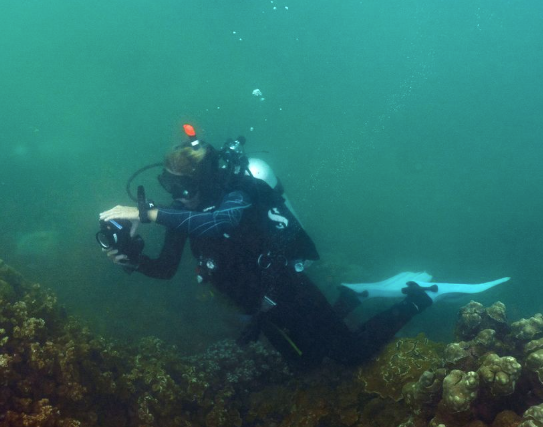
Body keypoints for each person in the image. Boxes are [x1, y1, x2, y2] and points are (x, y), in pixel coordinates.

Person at [98, 130, 433, 369]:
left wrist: (146, 214)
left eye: (183, 186)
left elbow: (221, 224)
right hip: (260, 304)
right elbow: (166, 268)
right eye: (168, 185)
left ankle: (420, 298)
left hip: (288, 287)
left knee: (350, 355)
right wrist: (131, 258)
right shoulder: (183, 211)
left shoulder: (241, 191)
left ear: (206, 181)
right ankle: (350, 296)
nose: (177, 194)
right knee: (306, 363)